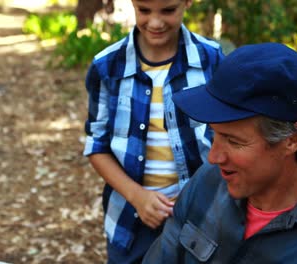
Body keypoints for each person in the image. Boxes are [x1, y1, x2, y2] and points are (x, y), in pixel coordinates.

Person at [143, 43, 297, 263]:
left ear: (292, 140)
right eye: (215, 134)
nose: (214, 157)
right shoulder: (207, 182)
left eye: (234, 142)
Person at [82, 0, 224, 263]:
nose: (155, 23)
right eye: (144, 11)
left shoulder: (211, 60)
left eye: (168, 10)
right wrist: (137, 196)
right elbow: (97, 146)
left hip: (201, 217)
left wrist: (192, 195)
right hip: (130, 220)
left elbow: (225, 139)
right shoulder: (107, 66)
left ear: (187, 3)